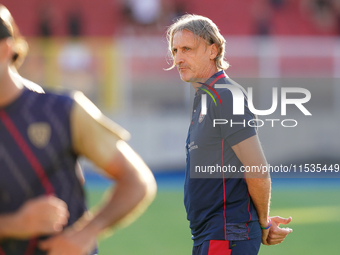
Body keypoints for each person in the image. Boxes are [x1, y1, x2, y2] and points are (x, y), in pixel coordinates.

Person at [0, 4, 157, 255]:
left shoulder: (63, 110)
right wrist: (14, 224)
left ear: (6, 48)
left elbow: (136, 179)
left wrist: (86, 233)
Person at [166, 14, 292, 255]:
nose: (178, 58)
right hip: (212, 234)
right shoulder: (207, 97)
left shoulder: (225, 94)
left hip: (227, 235)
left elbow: (256, 167)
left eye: (187, 49)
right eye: (175, 51)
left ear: (213, 50)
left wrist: (263, 222)